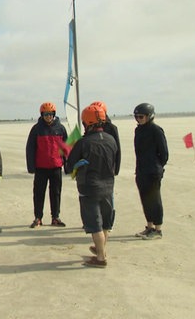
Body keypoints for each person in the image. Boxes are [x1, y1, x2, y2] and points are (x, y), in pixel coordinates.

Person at [66, 103, 118, 268]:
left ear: (86, 123)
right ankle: (100, 248)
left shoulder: (83, 142)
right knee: (106, 222)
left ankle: (101, 258)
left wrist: (75, 164)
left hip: (89, 187)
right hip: (108, 186)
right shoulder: (111, 140)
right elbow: (116, 163)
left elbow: (68, 166)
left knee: (95, 223)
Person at [25, 102, 69, 228]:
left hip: (56, 166)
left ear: (54, 114)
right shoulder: (36, 129)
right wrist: (31, 167)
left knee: (55, 193)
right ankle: (38, 218)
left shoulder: (60, 129)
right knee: (39, 193)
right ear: (42, 115)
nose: (48, 116)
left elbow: (66, 148)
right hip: (41, 167)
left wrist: (67, 166)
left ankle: (55, 217)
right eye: (46, 114)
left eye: (50, 114)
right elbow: (30, 148)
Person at [133, 103, 169, 240]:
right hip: (141, 171)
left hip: (153, 171)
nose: (138, 119)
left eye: (141, 117)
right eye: (136, 117)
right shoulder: (139, 130)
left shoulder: (156, 130)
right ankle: (149, 227)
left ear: (149, 116)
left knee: (155, 200)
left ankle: (158, 229)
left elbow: (164, 153)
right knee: (145, 199)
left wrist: (157, 166)